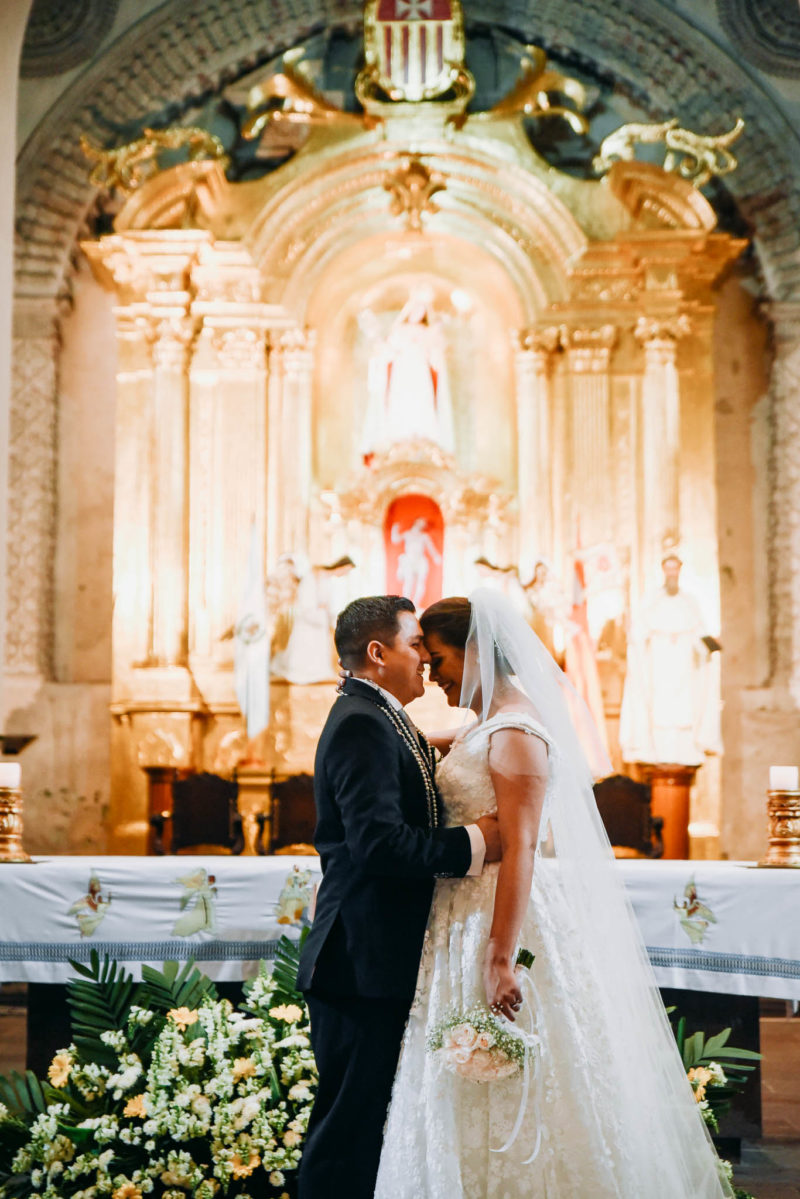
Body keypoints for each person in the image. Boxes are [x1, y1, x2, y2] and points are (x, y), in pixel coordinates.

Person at [374, 590, 732, 1198]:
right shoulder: (486, 725)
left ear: (477, 652)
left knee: (515, 1074)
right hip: (459, 916)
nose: (434, 676)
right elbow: (466, 756)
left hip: (498, 918)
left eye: (439, 659)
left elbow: (523, 849)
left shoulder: (515, 730)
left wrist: (498, 956)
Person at [296, 595, 501, 1199]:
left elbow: (396, 775)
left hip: (372, 959)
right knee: (347, 1131)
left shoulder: (378, 715)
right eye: (416, 646)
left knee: (368, 1125)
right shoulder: (362, 722)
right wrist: (477, 841)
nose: (426, 662)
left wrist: (439, 750)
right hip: (361, 963)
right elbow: (379, 847)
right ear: (379, 653)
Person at [620, 550, 721, 765]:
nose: (672, 573)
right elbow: (639, 634)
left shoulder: (690, 602)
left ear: (680, 570)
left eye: (675, 569)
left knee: (683, 708)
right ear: (664, 571)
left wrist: (708, 646)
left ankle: (685, 751)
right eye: (669, 569)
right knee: (661, 707)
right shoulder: (652, 601)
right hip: (660, 662)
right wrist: (632, 632)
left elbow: (700, 633)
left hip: (684, 665)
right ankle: (657, 750)